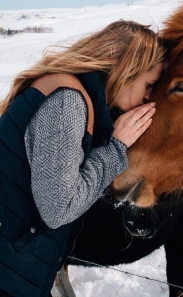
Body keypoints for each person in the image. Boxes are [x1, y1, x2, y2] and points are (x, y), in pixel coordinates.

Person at [0, 20, 165, 297]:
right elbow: (58, 209)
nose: (149, 96)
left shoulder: (65, 90)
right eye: (149, 84)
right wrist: (116, 148)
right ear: (128, 68)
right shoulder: (68, 102)